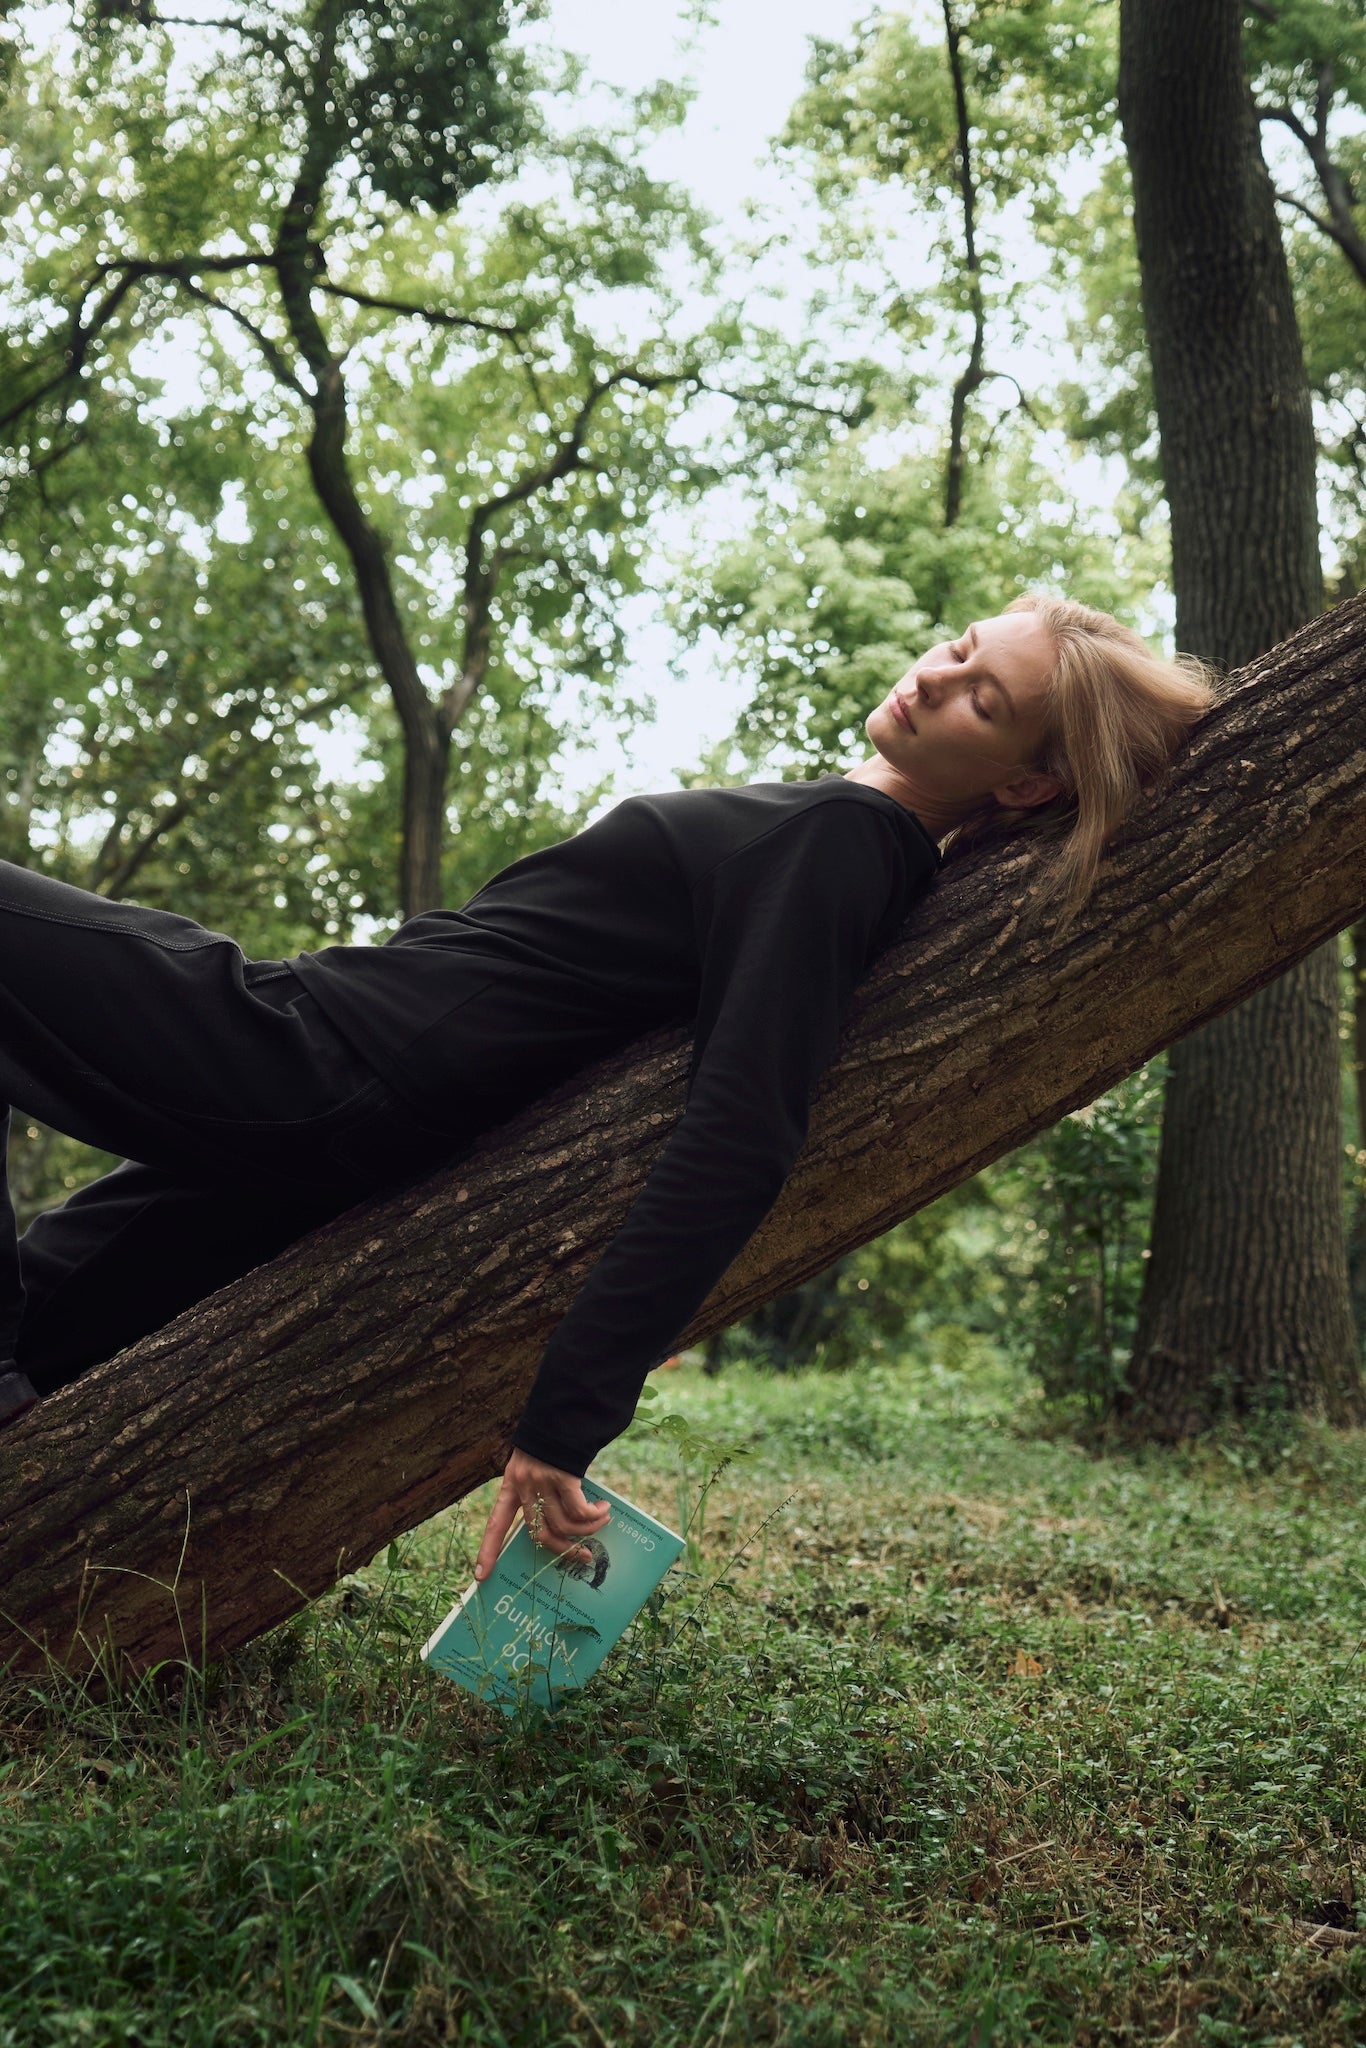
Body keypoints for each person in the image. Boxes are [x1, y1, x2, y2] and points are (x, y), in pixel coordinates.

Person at [0, 594, 1212, 1582]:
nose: (937, 679)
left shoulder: (844, 845)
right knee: (51, 1294)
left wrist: (565, 1418)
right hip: (337, 1106)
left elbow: (742, 1130)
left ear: (1024, 785)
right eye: (957, 650)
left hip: (317, 1054)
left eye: (982, 697)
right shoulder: (842, 839)